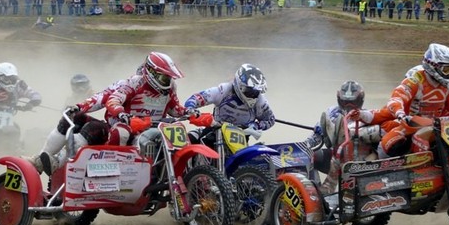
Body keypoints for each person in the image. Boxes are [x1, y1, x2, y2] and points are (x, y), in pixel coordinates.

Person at [25, 51, 186, 175]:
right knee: (83, 121)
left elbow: (176, 109)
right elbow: (106, 98)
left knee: (183, 136)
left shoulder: (170, 88)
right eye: (165, 78)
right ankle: (46, 160)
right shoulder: (132, 83)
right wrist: (80, 107)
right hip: (122, 128)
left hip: (153, 130)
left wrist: (192, 113)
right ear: (150, 73)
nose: (167, 81)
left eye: (169, 78)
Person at [376, 43, 449, 157]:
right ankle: (379, 163)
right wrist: (400, 114)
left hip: (437, 126)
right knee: (389, 144)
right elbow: (396, 98)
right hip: (411, 124)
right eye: (446, 69)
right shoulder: (415, 81)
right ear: (433, 66)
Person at [310, 81, 380, 197]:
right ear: (339, 99)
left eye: (353, 102)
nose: (348, 105)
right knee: (310, 156)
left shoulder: (367, 115)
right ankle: (314, 192)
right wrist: (309, 142)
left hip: (362, 161)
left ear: (360, 100)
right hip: (336, 155)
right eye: (345, 102)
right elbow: (314, 138)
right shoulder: (331, 112)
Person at [182, 64, 275, 146]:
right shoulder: (223, 90)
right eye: (249, 91)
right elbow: (197, 97)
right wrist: (191, 109)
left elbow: (270, 119)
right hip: (215, 129)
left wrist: (256, 126)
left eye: (256, 92)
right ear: (239, 84)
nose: (253, 95)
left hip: (241, 137)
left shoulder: (260, 101)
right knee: (187, 139)